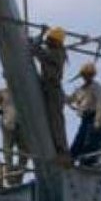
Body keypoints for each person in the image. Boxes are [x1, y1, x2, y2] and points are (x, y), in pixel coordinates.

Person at [32, 25, 67, 158]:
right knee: (53, 120)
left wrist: (40, 35)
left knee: (56, 122)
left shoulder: (55, 53)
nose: (48, 41)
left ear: (57, 42)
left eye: (51, 39)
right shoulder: (55, 50)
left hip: (53, 89)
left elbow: (36, 51)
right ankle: (59, 148)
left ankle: (61, 150)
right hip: (48, 87)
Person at [66, 62, 101, 166]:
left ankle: (87, 162)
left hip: (94, 116)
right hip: (86, 117)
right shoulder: (81, 89)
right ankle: (72, 158)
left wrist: (98, 120)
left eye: (88, 75)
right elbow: (70, 99)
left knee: (91, 141)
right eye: (84, 75)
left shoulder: (96, 88)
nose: (86, 77)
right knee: (80, 139)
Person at [0, 85, 26, 185]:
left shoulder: (25, 91)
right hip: (8, 123)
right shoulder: (2, 92)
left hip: (23, 125)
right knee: (8, 151)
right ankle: (10, 175)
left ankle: (18, 175)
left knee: (24, 151)